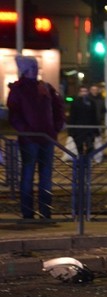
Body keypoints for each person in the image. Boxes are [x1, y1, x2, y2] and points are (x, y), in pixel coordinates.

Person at [7, 55, 66, 220]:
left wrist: (56, 126)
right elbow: (15, 115)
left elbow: (58, 106)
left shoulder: (44, 87)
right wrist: (28, 131)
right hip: (32, 139)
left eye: (35, 67)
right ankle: (30, 213)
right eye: (32, 67)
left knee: (42, 176)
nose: (34, 70)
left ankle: (44, 212)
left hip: (43, 138)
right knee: (30, 175)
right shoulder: (20, 89)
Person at [67, 85, 99, 156]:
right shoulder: (75, 102)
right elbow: (72, 117)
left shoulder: (91, 102)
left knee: (90, 146)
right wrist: (71, 130)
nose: (84, 93)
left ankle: (85, 162)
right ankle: (81, 163)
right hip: (78, 129)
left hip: (89, 129)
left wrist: (96, 130)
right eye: (82, 91)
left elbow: (94, 117)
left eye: (85, 91)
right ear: (79, 92)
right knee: (79, 148)